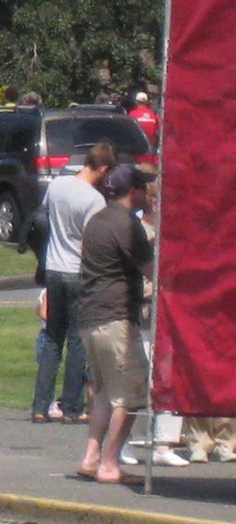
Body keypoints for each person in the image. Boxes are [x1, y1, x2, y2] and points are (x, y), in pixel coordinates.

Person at [76, 164, 155, 485]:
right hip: (116, 318)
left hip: (89, 318)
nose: (147, 195)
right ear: (133, 191)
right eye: (144, 189)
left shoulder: (97, 220)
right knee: (132, 393)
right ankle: (109, 464)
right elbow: (152, 269)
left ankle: (91, 457)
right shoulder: (127, 224)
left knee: (104, 393)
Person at [31, 143, 117, 424]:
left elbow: (43, 217)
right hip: (79, 271)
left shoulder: (58, 184)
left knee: (53, 339)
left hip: (54, 268)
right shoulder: (94, 201)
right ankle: (71, 406)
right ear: (103, 169)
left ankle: (40, 406)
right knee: (78, 342)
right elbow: (93, 241)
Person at [118, 169, 188, 467]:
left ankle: (162, 443)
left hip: (170, 311)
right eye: (156, 197)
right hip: (143, 310)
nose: (160, 203)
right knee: (140, 379)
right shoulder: (136, 230)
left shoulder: (174, 233)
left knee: (168, 377)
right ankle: (128, 442)